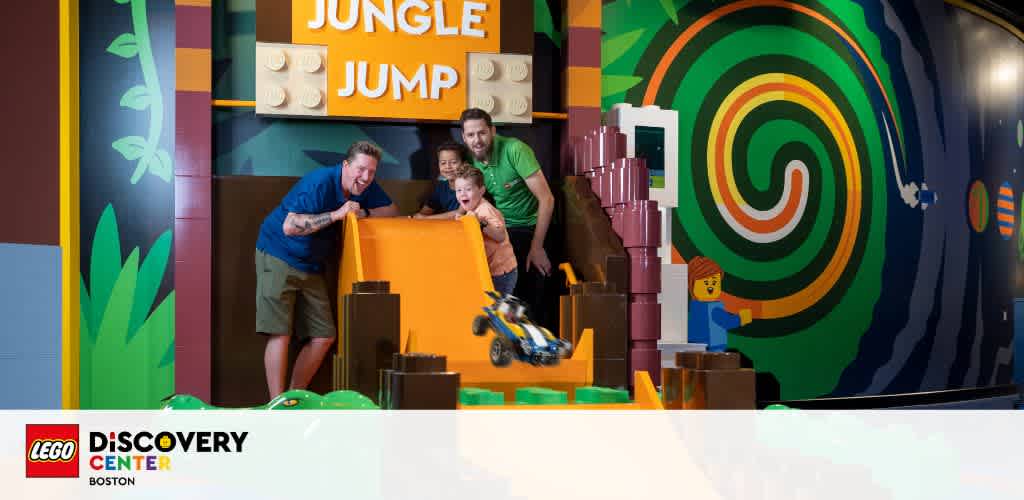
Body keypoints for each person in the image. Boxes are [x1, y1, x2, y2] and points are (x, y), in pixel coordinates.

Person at [254, 141, 399, 398]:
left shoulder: (364, 186)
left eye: (372, 172)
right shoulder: (319, 183)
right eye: (361, 169)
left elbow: (392, 210)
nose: (366, 177)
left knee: (324, 336)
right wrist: (336, 215)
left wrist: (363, 211)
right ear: (346, 165)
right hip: (278, 253)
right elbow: (289, 225)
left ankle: (293, 398)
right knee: (280, 333)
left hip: (312, 264)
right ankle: (275, 405)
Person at [460, 108, 555, 324]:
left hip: (529, 227)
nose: (477, 140)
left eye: (482, 133)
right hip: (499, 228)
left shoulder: (515, 150)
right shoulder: (467, 160)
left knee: (529, 295)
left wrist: (537, 247)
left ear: (492, 131)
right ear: (464, 137)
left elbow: (547, 200)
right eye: (471, 135)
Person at [451, 165, 518, 295]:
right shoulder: (471, 211)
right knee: (492, 307)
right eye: (458, 190)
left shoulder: (485, 210)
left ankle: (516, 313)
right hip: (491, 270)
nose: (462, 194)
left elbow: (500, 236)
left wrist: (480, 222)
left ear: (481, 191)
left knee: (496, 310)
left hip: (501, 272)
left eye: (468, 189)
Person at [413, 141, 467, 220]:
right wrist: (417, 217)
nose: (448, 166)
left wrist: (426, 218)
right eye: (443, 163)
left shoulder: (469, 187)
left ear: (464, 164)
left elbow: (459, 214)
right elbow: (425, 211)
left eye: (453, 162)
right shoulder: (441, 188)